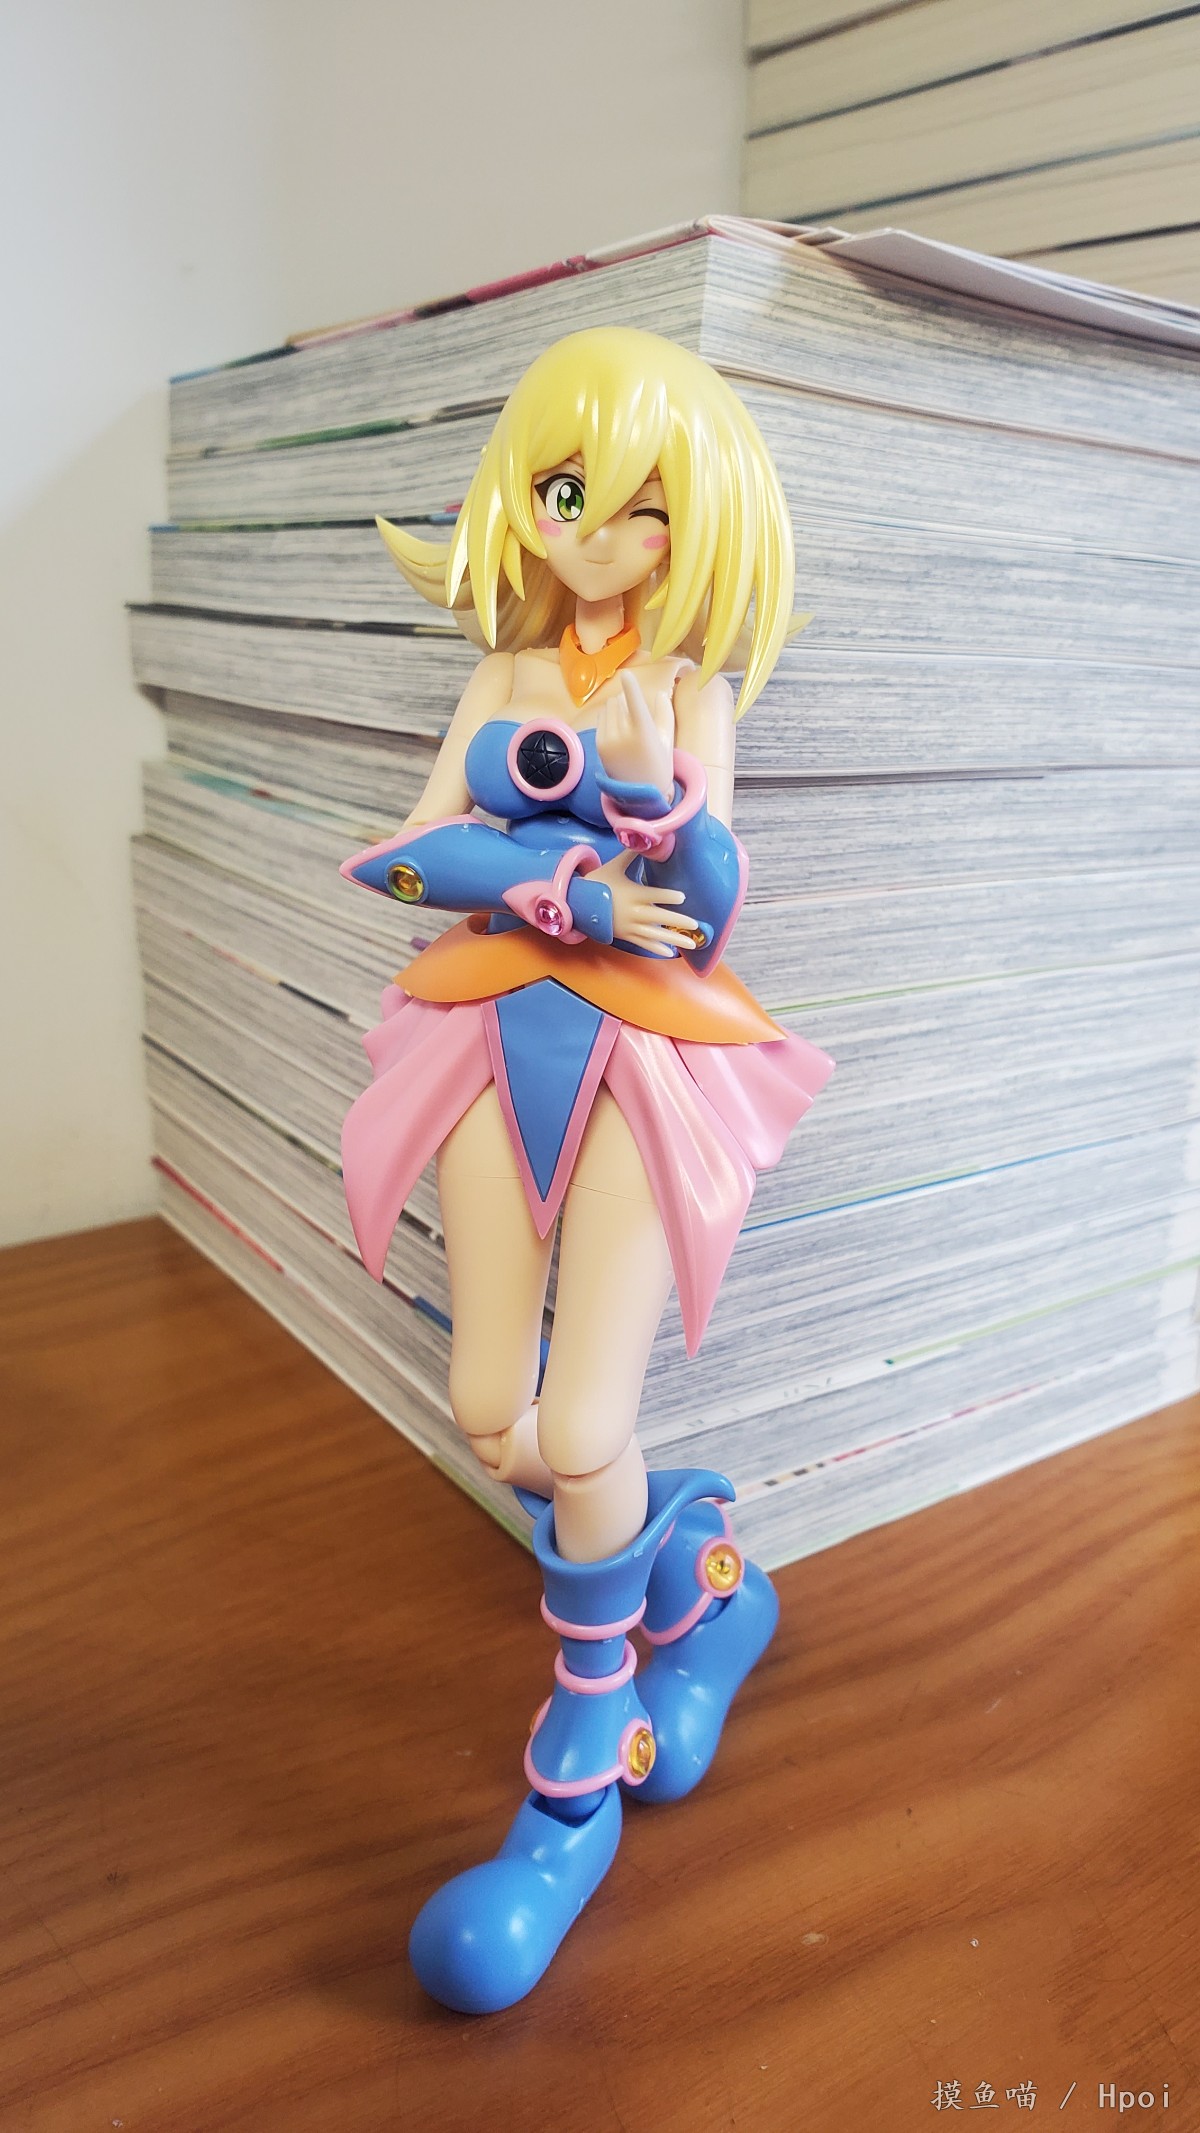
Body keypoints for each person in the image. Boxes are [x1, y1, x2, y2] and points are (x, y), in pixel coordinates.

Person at [340, 327, 834, 2012]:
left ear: (700, 527)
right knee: (501, 1416)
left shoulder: (692, 693)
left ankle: (586, 1736)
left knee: (584, 1425)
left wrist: (653, 808)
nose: (599, 531)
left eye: (643, 503)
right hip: (487, 1033)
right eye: (566, 491)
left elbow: (717, 901)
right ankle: (701, 1580)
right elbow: (403, 862)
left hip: (638, 1055)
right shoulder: (501, 680)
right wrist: (552, 884)